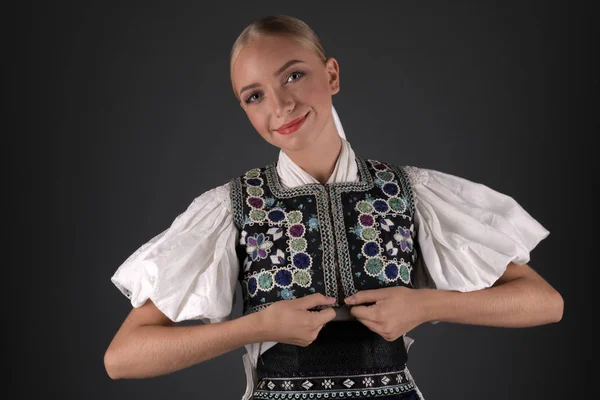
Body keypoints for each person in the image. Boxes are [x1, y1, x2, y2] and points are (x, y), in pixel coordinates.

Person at [104, 15, 563, 400]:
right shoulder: (232, 207)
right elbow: (123, 357)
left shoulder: (409, 190)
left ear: (332, 75)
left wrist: (424, 305)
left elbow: (545, 302)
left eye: (294, 75)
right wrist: (255, 327)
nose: (281, 105)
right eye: (255, 95)